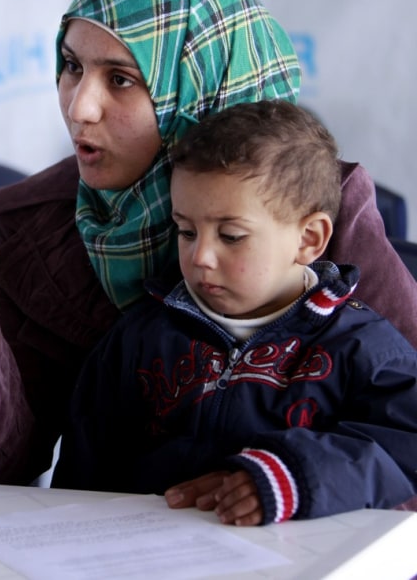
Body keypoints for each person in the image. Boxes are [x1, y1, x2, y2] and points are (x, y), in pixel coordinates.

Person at [0, 0, 417, 492]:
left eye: (121, 79)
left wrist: (287, 481)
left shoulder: (312, 204)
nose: (79, 107)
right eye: (72, 66)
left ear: (198, 87)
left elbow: (405, 434)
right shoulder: (29, 230)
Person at [52, 100, 417, 524]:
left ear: (309, 239)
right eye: (186, 231)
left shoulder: (363, 346)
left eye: (231, 235)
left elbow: (406, 445)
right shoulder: (139, 339)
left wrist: (292, 477)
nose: (201, 256)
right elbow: (82, 478)